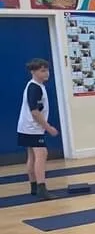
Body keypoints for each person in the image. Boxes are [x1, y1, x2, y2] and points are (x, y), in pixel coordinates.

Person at [17, 59, 59, 200]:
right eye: (42, 70)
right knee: (42, 154)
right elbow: (34, 112)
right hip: (31, 127)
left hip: (28, 127)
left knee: (33, 156)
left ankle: (34, 187)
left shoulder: (39, 86)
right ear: (33, 72)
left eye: (47, 70)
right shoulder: (34, 87)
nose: (46, 73)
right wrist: (49, 128)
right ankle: (41, 188)